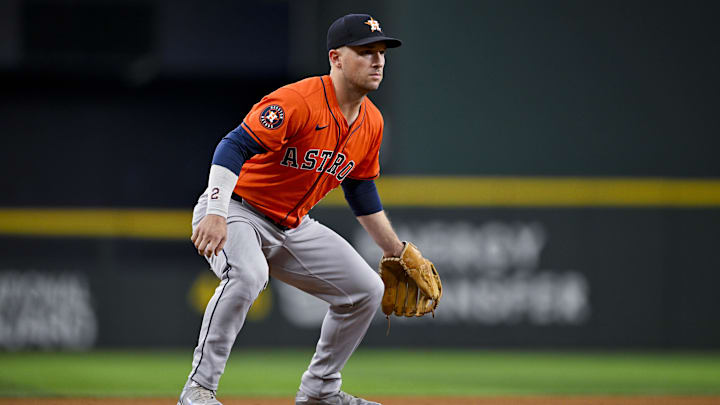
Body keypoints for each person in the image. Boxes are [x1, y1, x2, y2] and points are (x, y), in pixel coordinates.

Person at [178, 13, 409, 405]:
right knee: (248, 275)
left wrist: (395, 250)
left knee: (366, 291)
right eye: (365, 51)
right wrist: (215, 212)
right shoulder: (298, 101)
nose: (378, 60)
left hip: (292, 225)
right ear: (336, 58)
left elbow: (360, 189)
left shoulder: (372, 122)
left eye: (382, 52)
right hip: (238, 210)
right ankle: (198, 390)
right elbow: (232, 147)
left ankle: (319, 392)